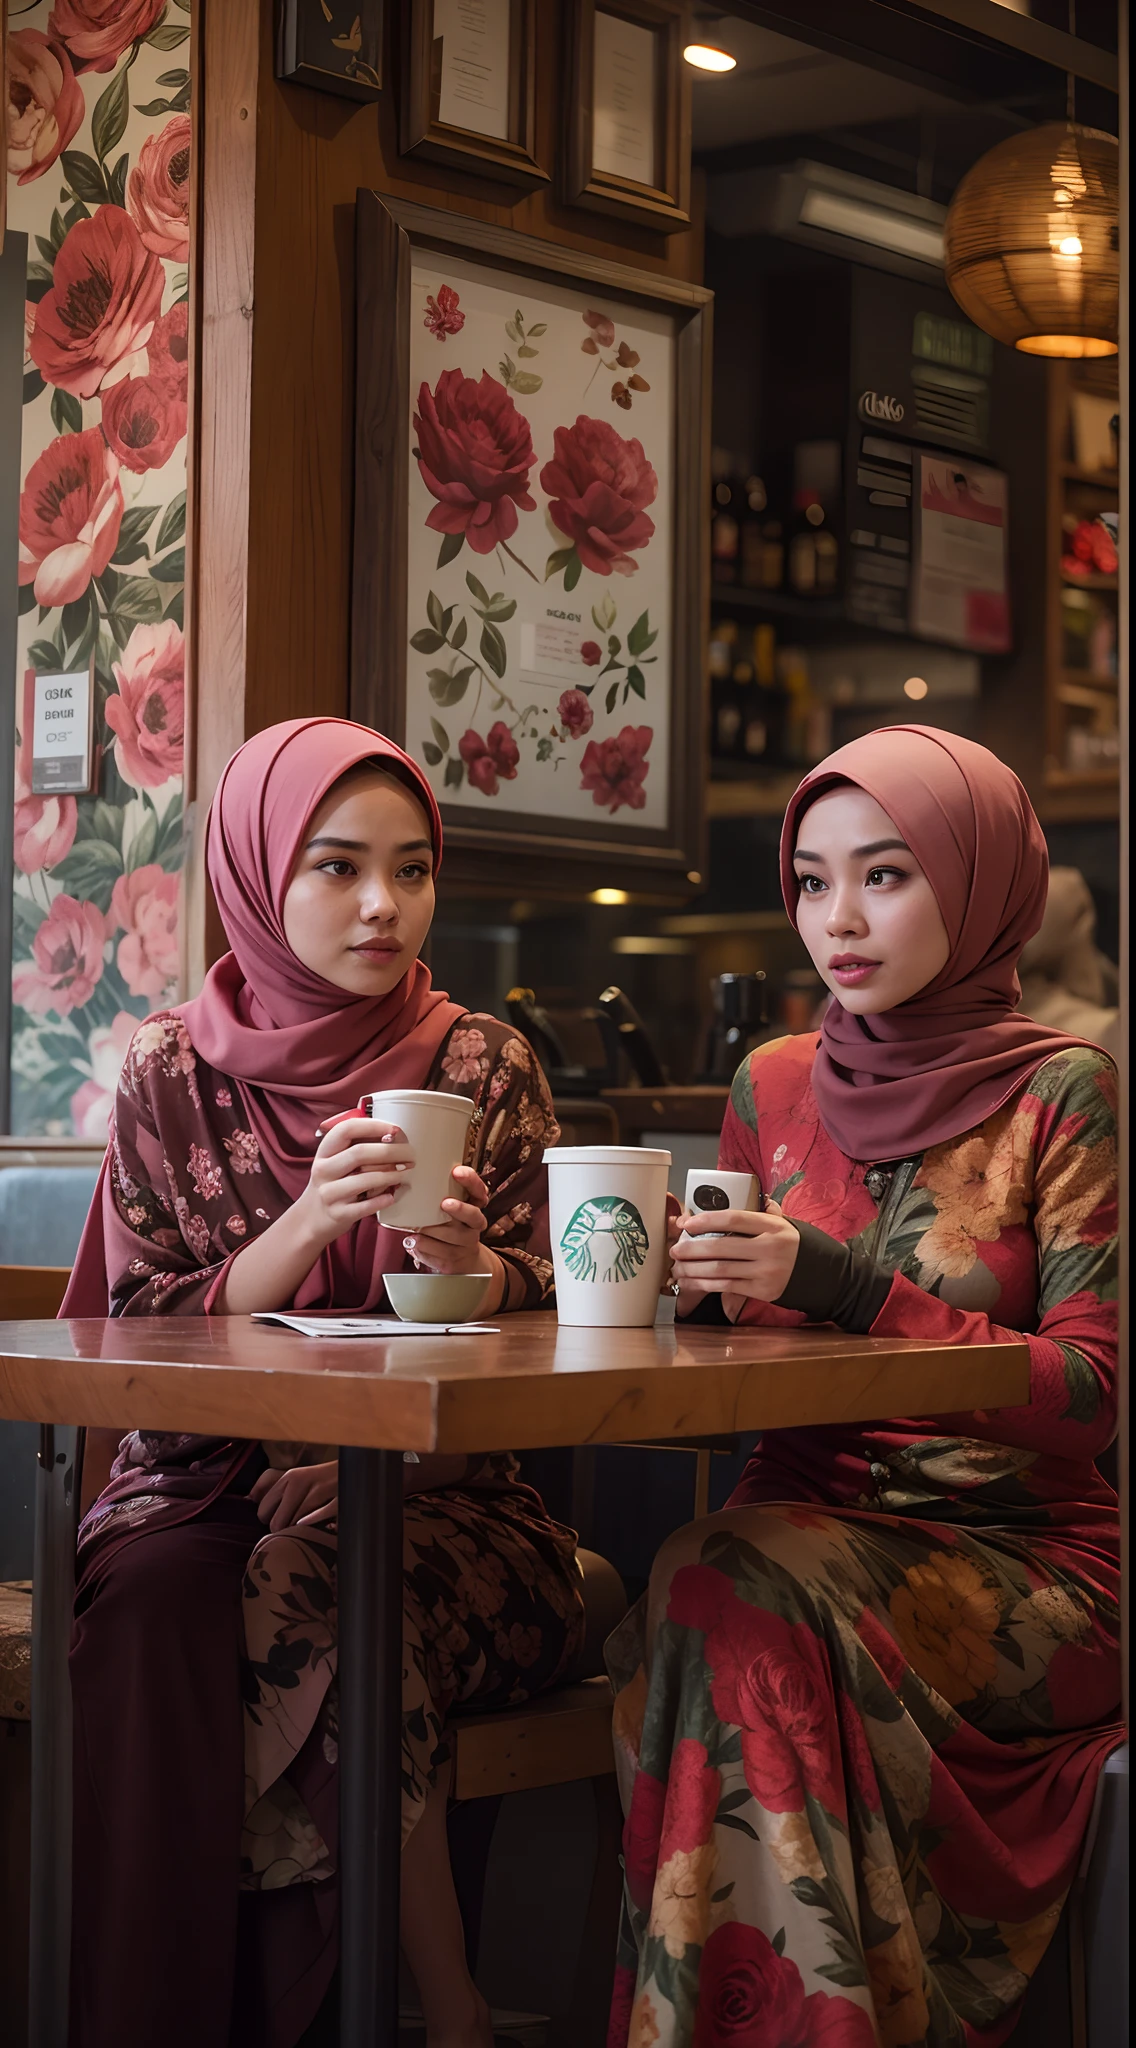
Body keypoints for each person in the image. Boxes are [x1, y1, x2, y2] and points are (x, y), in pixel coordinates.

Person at [63, 718, 584, 2048]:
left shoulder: (483, 1066)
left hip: (449, 1500)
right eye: (338, 867)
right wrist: (299, 1231)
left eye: (412, 872)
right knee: (157, 1613)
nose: (382, 907)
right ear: (254, 872)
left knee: (321, 1598)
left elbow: (571, 1312)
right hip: (198, 1484)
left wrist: (476, 1270)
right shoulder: (167, 1072)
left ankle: (374, 2015)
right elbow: (132, 1331)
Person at [607, 727, 1120, 2048]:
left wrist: (841, 1285)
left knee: (719, 1586)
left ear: (981, 877)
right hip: (792, 1528)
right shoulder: (772, 1085)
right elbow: (732, 1357)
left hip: (1023, 1561)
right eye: (811, 880)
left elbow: (1090, 1396)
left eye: (884, 876)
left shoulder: (1065, 1091)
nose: (838, 919)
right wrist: (697, 1297)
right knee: (709, 1580)